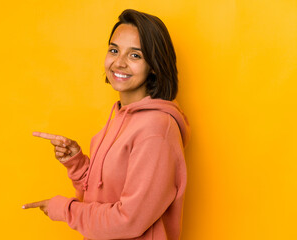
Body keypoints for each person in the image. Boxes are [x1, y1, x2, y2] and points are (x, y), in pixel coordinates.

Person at [23, 9, 190, 240]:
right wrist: (77, 164)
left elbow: (128, 221)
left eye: (135, 56)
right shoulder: (120, 117)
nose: (119, 63)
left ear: (154, 65)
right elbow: (99, 194)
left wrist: (65, 209)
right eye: (114, 50)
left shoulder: (156, 129)